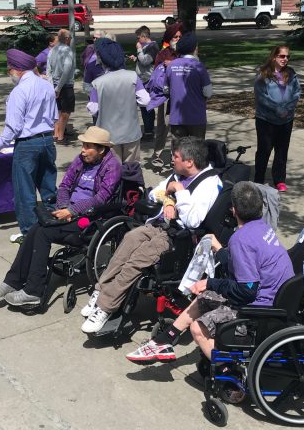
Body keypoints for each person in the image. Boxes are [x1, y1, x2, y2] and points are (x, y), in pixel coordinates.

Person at [125, 181, 294, 375]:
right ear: (260, 206)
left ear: (233, 209)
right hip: (275, 298)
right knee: (205, 297)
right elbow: (245, 266)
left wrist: (210, 282)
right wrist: (220, 250)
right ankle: (165, 341)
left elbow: (247, 290)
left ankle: (231, 375)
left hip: (259, 311)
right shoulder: (262, 228)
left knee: (198, 328)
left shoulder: (241, 239)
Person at [81, 137, 222, 333]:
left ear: (189, 162)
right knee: (128, 242)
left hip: (179, 237)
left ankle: (105, 307)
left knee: (137, 260)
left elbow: (193, 221)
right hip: (158, 225)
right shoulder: (178, 175)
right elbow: (153, 194)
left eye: (176, 156)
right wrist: (169, 200)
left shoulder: (209, 185)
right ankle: (100, 291)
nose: (172, 159)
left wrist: (179, 192)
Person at [0, 126, 122, 306]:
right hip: (69, 212)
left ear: (101, 149)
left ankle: (34, 291)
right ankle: (12, 281)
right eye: (83, 145)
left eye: (88, 146)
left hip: (91, 219)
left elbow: (101, 198)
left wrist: (73, 211)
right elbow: (65, 186)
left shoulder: (112, 166)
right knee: (36, 227)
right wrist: (64, 208)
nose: (83, 150)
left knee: (43, 232)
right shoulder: (81, 160)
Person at [0, 49, 58, 244]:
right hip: (47, 140)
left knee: (25, 194)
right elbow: (55, 116)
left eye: (9, 71)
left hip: (27, 145)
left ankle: (30, 235)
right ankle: (56, 226)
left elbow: (13, 128)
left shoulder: (19, 91)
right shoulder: (46, 85)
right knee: (48, 189)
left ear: (16, 70)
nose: (10, 75)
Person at [87, 38, 151, 163]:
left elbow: (93, 110)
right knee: (131, 170)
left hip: (107, 136)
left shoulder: (98, 83)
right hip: (131, 133)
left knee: (111, 171)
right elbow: (145, 100)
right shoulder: (133, 76)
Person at [253, 45, 301, 192]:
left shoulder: (291, 74)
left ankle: (279, 179)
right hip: (266, 120)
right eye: (282, 56)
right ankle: (259, 179)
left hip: (286, 120)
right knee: (264, 150)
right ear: (274, 57)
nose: (285, 59)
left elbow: (297, 93)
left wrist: (288, 109)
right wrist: (278, 109)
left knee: (282, 150)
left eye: (287, 56)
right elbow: (262, 97)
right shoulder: (263, 75)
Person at [165, 32, 213, 140]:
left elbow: (166, 90)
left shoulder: (171, 65)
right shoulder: (199, 66)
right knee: (197, 150)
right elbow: (208, 92)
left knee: (178, 152)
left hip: (176, 117)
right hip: (196, 117)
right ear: (195, 48)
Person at [149, 23, 182, 167]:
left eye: (180, 37)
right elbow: (157, 75)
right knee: (163, 126)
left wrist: (174, 64)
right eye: (175, 37)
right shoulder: (163, 53)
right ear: (170, 38)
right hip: (165, 96)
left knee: (179, 130)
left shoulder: (186, 53)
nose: (178, 39)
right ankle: (158, 154)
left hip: (181, 97)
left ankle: (178, 158)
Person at [129, 25, 159, 141]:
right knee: (143, 106)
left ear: (143, 36)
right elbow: (142, 60)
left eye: (138, 38)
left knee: (147, 106)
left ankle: (149, 131)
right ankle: (147, 130)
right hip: (142, 80)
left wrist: (139, 50)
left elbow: (146, 61)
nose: (137, 41)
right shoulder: (147, 46)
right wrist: (136, 58)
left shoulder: (153, 47)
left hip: (147, 80)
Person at [46, 29, 75, 143]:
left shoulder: (52, 50)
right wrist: (58, 88)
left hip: (54, 84)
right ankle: (61, 136)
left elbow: (49, 71)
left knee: (57, 110)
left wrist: (52, 86)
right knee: (66, 111)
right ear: (67, 39)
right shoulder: (68, 51)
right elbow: (67, 70)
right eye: (70, 38)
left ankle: (56, 133)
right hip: (65, 85)